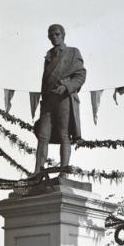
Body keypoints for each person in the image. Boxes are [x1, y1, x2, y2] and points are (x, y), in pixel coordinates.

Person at [34, 24, 86, 176]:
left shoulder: (72, 52)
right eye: (51, 35)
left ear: (63, 35)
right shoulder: (49, 55)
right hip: (48, 100)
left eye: (57, 34)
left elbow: (80, 76)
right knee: (43, 136)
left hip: (64, 98)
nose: (54, 37)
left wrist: (66, 87)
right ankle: (38, 171)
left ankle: (63, 171)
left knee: (64, 134)